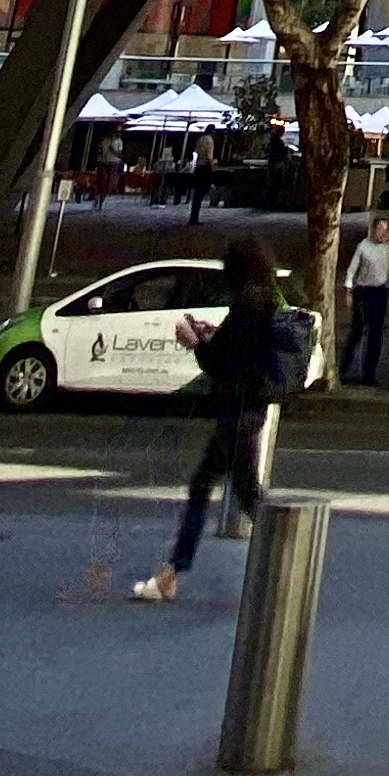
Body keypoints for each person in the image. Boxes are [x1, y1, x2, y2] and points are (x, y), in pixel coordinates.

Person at [134, 246, 279, 605]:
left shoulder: (247, 305)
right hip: (248, 410)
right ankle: (173, 573)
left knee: (222, 490)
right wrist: (210, 335)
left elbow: (226, 364)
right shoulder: (261, 302)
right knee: (241, 493)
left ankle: (172, 574)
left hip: (238, 410)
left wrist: (195, 342)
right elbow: (239, 351)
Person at [339, 215, 389, 387]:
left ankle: (369, 373)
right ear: (373, 230)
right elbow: (352, 270)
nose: (381, 233)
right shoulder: (364, 246)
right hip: (364, 290)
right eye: (379, 229)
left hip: (380, 290)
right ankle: (344, 367)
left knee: (376, 333)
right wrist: (349, 291)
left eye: (384, 229)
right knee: (358, 330)